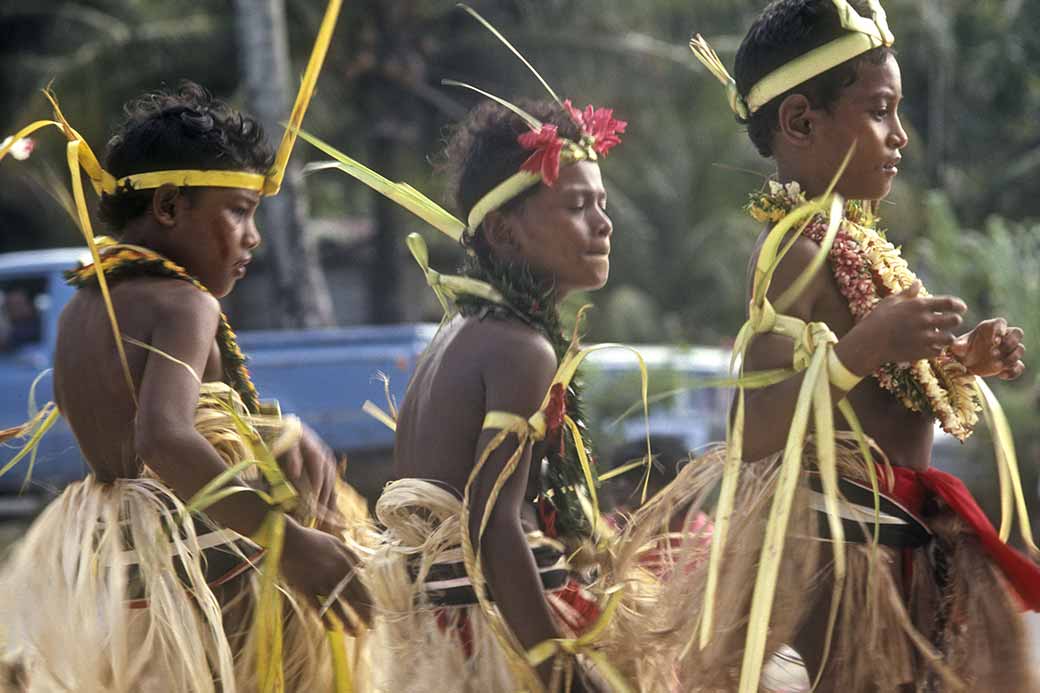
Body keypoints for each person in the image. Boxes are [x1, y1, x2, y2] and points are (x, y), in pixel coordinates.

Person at [649, 1, 1040, 691]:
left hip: (896, 533)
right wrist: (865, 345)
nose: (901, 136)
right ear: (802, 122)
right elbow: (756, 430)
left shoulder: (854, 244)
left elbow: (878, 387)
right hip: (840, 545)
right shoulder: (792, 253)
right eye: (880, 111)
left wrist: (959, 361)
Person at [0, 81, 369, 693]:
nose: (253, 236)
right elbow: (163, 437)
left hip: (142, 581)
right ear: (169, 206)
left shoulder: (82, 309)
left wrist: (272, 433)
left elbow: (131, 441)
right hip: (217, 577)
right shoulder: (183, 303)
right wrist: (290, 543)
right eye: (239, 210)